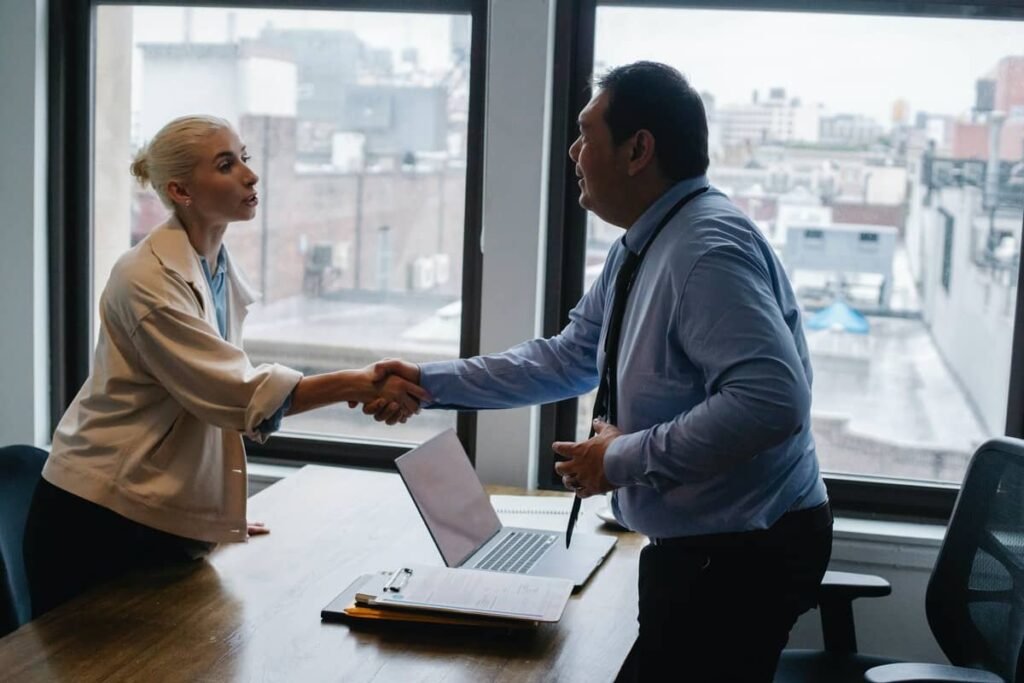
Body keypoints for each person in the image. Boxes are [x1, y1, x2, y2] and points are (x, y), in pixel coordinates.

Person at [369, 62, 832, 681]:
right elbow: (568, 358)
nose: (573, 151)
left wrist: (617, 460)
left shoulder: (706, 249)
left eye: (587, 133)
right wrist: (428, 382)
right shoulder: (646, 242)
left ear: (638, 149)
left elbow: (772, 401)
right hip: (704, 547)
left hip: (743, 552)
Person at [23, 115, 427, 618]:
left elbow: (208, 399)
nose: (250, 176)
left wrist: (215, 511)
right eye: (225, 164)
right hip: (100, 517)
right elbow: (233, 394)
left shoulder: (211, 264)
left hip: (153, 510)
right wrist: (358, 383)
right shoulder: (146, 279)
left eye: (245, 159)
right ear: (180, 190)